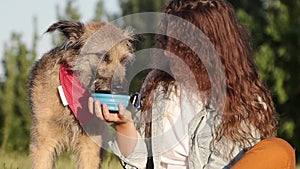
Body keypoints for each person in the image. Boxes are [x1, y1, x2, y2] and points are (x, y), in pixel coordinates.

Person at [89, 0, 295, 168]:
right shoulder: (158, 86)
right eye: (167, 41)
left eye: (179, 46)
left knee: (278, 150)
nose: (168, 53)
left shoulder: (244, 98)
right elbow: (139, 164)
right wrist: (124, 124)